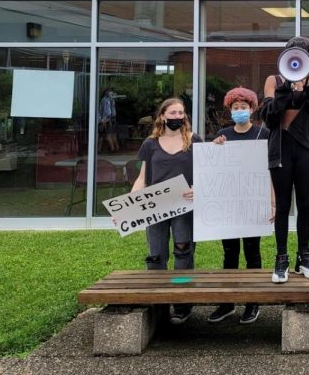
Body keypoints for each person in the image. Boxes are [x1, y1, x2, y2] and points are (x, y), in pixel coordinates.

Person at [262, 36, 309, 283]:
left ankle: (304, 255)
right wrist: (285, 90)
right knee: (282, 206)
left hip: (306, 151)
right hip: (280, 150)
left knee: (305, 204)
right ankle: (281, 258)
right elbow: (269, 118)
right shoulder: (274, 80)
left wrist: (308, 89)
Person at [131, 97, 201, 325]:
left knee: (183, 252)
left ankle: (181, 303)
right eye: (173, 113)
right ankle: (157, 305)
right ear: (162, 116)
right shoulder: (150, 144)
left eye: (181, 113)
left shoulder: (194, 141)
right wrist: (128, 207)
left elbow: (208, 173)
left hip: (184, 207)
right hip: (156, 207)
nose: (177, 117)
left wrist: (198, 189)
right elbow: (142, 178)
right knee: (156, 255)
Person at [208, 86, 272, 325]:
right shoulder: (223, 135)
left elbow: (270, 169)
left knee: (252, 253)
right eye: (235, 108)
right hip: (228, 204)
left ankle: (253, 301)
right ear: (230, 110)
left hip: (253, 202)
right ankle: (227, 302)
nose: (239, 111)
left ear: (252, 109)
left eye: (243, 107)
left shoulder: (263, 134)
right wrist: (215, 149)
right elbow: (214, 167)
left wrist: (272, 203)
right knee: (229, 253)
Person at [98, 88, 118, 152]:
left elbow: (108, 112)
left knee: (105, 135)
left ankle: (112, 149)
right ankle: (114, 148)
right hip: (107, 119)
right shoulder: (109, 100)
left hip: (105, 120)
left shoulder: (106, 100)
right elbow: (110, 112)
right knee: (109, 135)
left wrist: (104, 120)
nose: (111, 94)